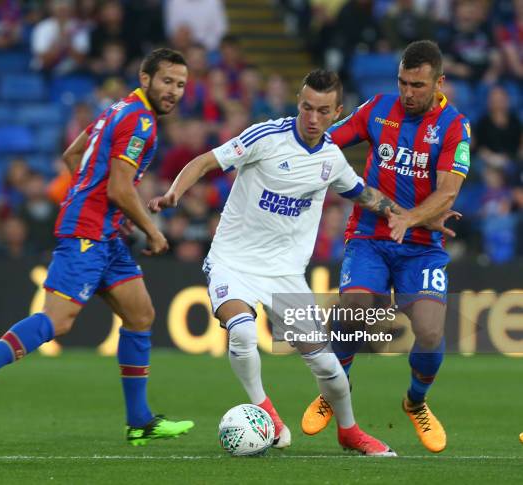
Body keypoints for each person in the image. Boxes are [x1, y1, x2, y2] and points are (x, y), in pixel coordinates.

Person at [149, 69, 438, 456]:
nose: (312, 118)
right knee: (243, 332)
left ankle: (349, 432)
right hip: (232, 262)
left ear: (337, 113)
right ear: (298, 103)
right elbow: (204, 162)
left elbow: (364, 193)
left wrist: (411, 215)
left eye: (322, 110)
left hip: (284, 275)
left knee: (329, 370)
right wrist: (173, 194)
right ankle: (267, 411)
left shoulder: (331, 160)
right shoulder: (266, 136)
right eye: (306, 107)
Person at [0, 48, 195, 446]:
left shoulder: (118, 108)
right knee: (59, 321)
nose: (174, 91)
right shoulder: (141, 121)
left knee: (140, 313)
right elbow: (118, 186)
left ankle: (140, 421)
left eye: (181, 85)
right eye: (167, 81)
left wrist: (98, 198)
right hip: (88, 232)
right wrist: (152, 229)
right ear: (145, 78)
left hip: (105, 230)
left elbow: (73, 155)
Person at [301, 40, 470, 454]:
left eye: (417, 84)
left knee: (430, 332)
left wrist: (409, 218)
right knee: (355, 309)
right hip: (370, 237)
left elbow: (448, 193)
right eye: (402, 82)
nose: (407, 92)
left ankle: (415, 402)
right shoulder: (377, 108)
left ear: (438, 82)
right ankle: (334, 389)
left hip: (422, 247)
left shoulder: (454, 126)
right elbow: (328, 140)